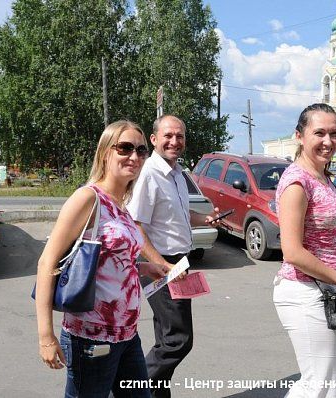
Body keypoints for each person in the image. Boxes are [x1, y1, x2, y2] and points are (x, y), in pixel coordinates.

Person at [35, 120, 169, 398]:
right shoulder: (88, 198)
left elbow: (109, 261)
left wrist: (145, 267)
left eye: (141, 150)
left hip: (127, 335)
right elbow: (47, 262)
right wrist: (45, 336)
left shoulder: (121, 205)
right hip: (90, 338)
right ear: (106, 152)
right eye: (125, 148)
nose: (134, 156)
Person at [273, 103, 336, 398]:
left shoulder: (324, 177)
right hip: (303, 291)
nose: (328, 141)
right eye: (319, 133)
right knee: (316, 382)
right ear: (300, 136)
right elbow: (292, 251)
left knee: (330, 381)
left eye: (334, 133)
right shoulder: (297, 183)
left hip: (327, 292)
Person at [127, 115, 220, 398]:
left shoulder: (177, 173)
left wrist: (203, 219)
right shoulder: (148, 174)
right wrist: (160, 264)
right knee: (177, 341)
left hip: (178, 262)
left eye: (179, 136)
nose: (174, 141)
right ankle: (124, 391)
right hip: (161, 264)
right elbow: (136, 224)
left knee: (166, 337)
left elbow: (175, 215)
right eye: (168, 136)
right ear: (154, 140)